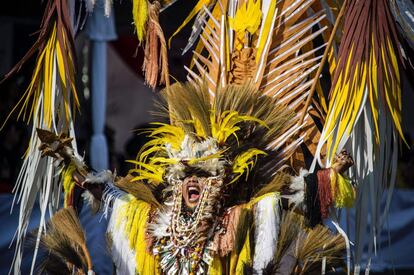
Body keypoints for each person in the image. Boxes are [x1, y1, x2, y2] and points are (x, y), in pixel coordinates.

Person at [38, 82, 355, 275]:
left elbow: (288, 200)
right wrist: (71, 163)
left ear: (216, 182)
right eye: (186, 174)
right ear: (175, 181)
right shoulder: (151, 219)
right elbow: (109, 193)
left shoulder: (237, 221)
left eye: (202, 175)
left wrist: (328, 177)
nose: (193, 181)